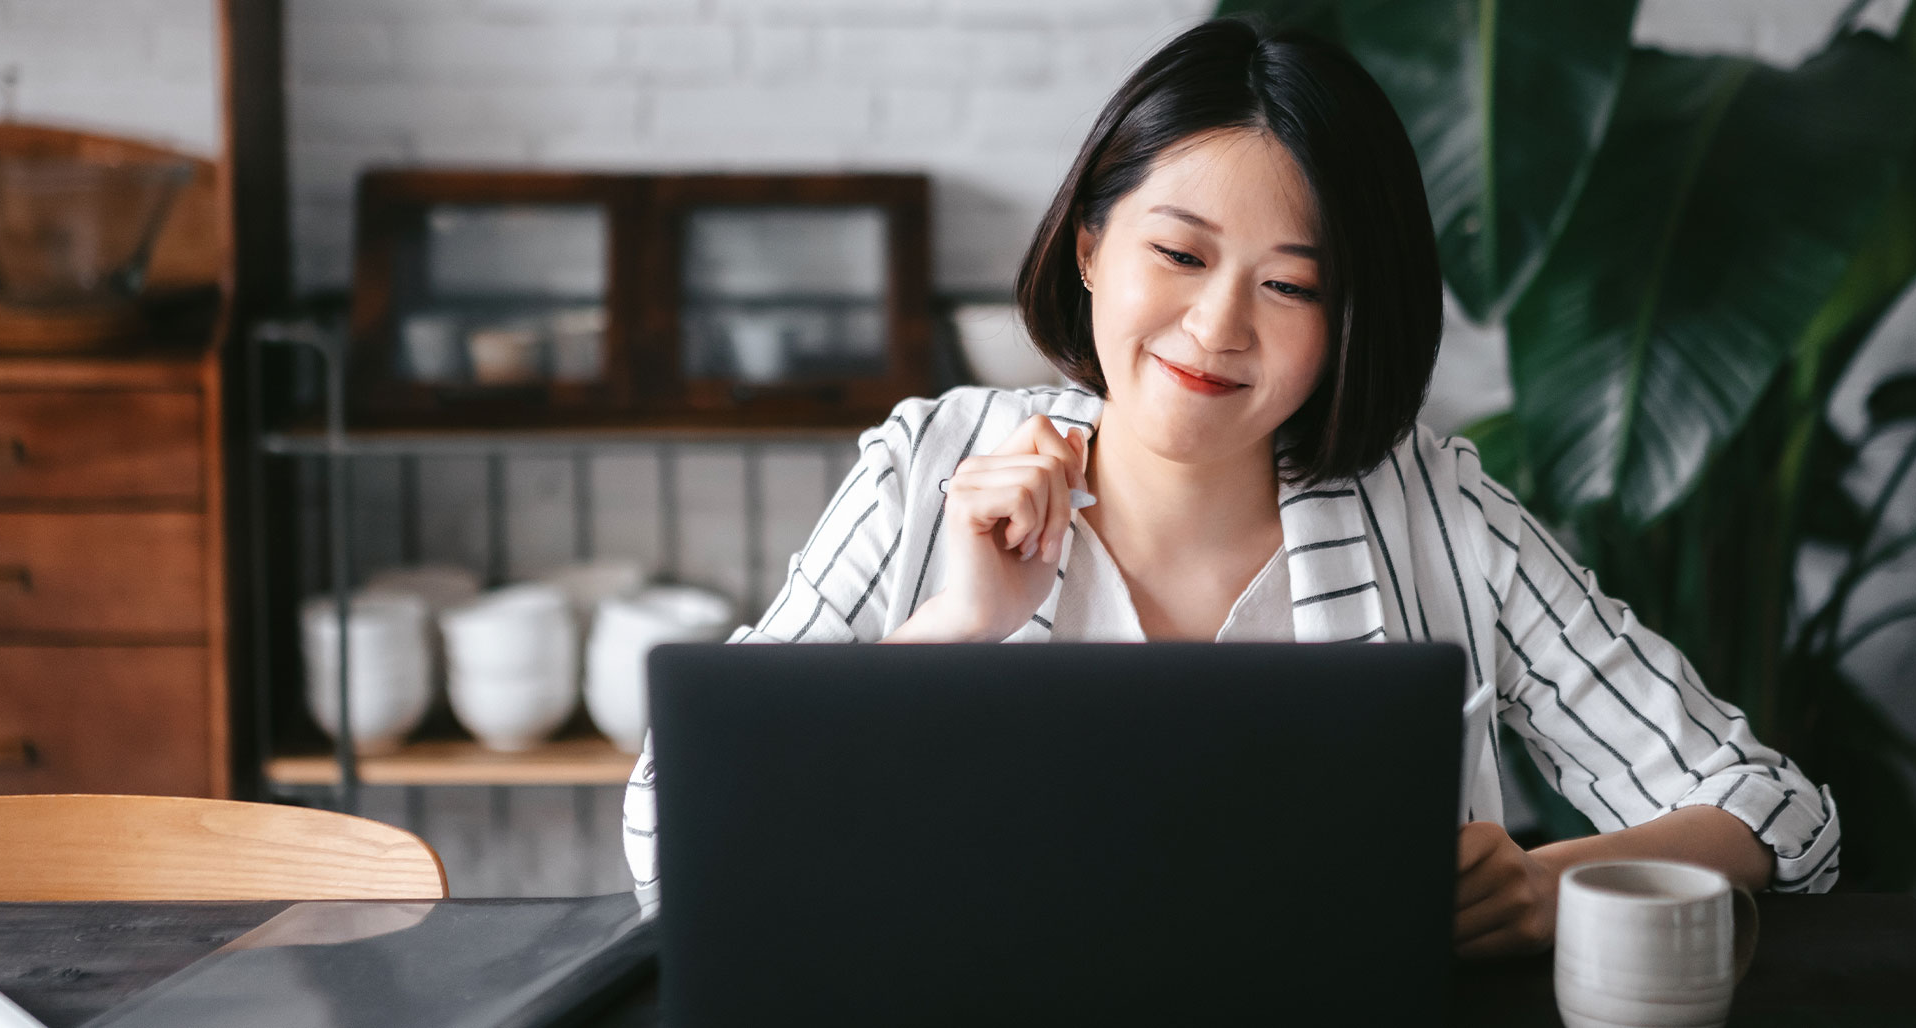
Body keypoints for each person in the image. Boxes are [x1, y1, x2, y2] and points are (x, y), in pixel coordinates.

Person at [622, 16, 1838, 957]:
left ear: (1347, 319)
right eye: (1180, 253)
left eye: (1291, 286)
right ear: (1091, 244)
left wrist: (1543, 881)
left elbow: (1775, 809)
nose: (1216, 329)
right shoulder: (926, 471)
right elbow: (677, 838)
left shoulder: (1438, 513)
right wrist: (954, 629)